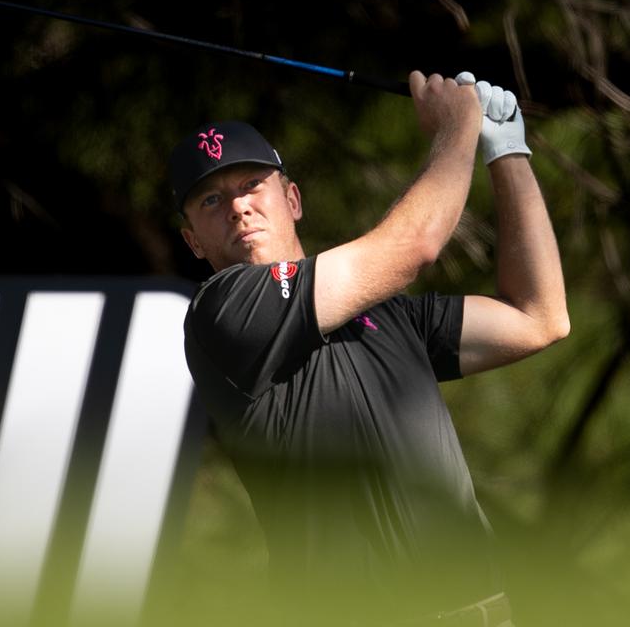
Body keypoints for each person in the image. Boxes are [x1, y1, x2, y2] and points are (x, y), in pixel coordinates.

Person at [168, 71, 569, 626]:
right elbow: (417, 244)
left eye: (252, 186)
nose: (238, 208)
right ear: (192, 240)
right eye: (212, 200)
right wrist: (457, 128)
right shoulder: (221, 314)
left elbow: (539, 317)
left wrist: (508, 154)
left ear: (293, 199)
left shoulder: (386, 311)